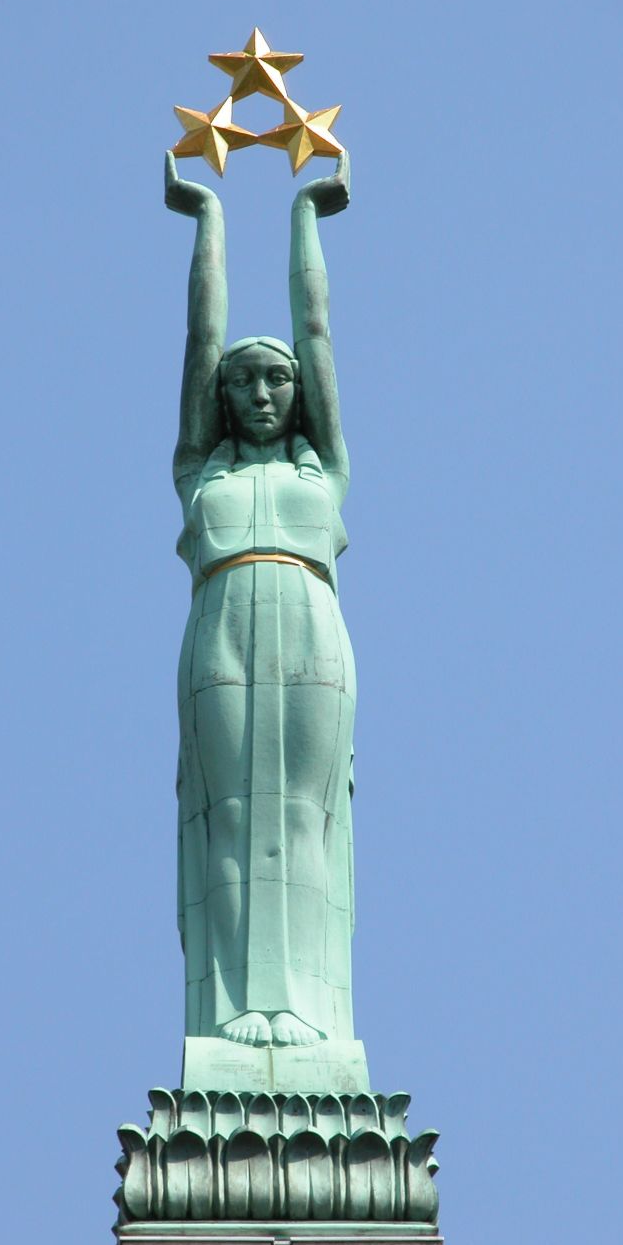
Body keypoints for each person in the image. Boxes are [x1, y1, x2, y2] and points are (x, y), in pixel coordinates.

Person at [166, 149, 355, 1049]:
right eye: (246, 381)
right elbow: (202, 340)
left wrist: (305, 218)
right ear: (225, 398)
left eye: (276, 379)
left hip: (311, 621)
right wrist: (208, 217)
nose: (265, 391)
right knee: (231, 812)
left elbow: (315, 333)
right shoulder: (200, 469)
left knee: (302, 811)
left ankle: (306, 1010)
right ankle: (243, 1003)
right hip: (224, 626)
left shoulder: (327, 470)